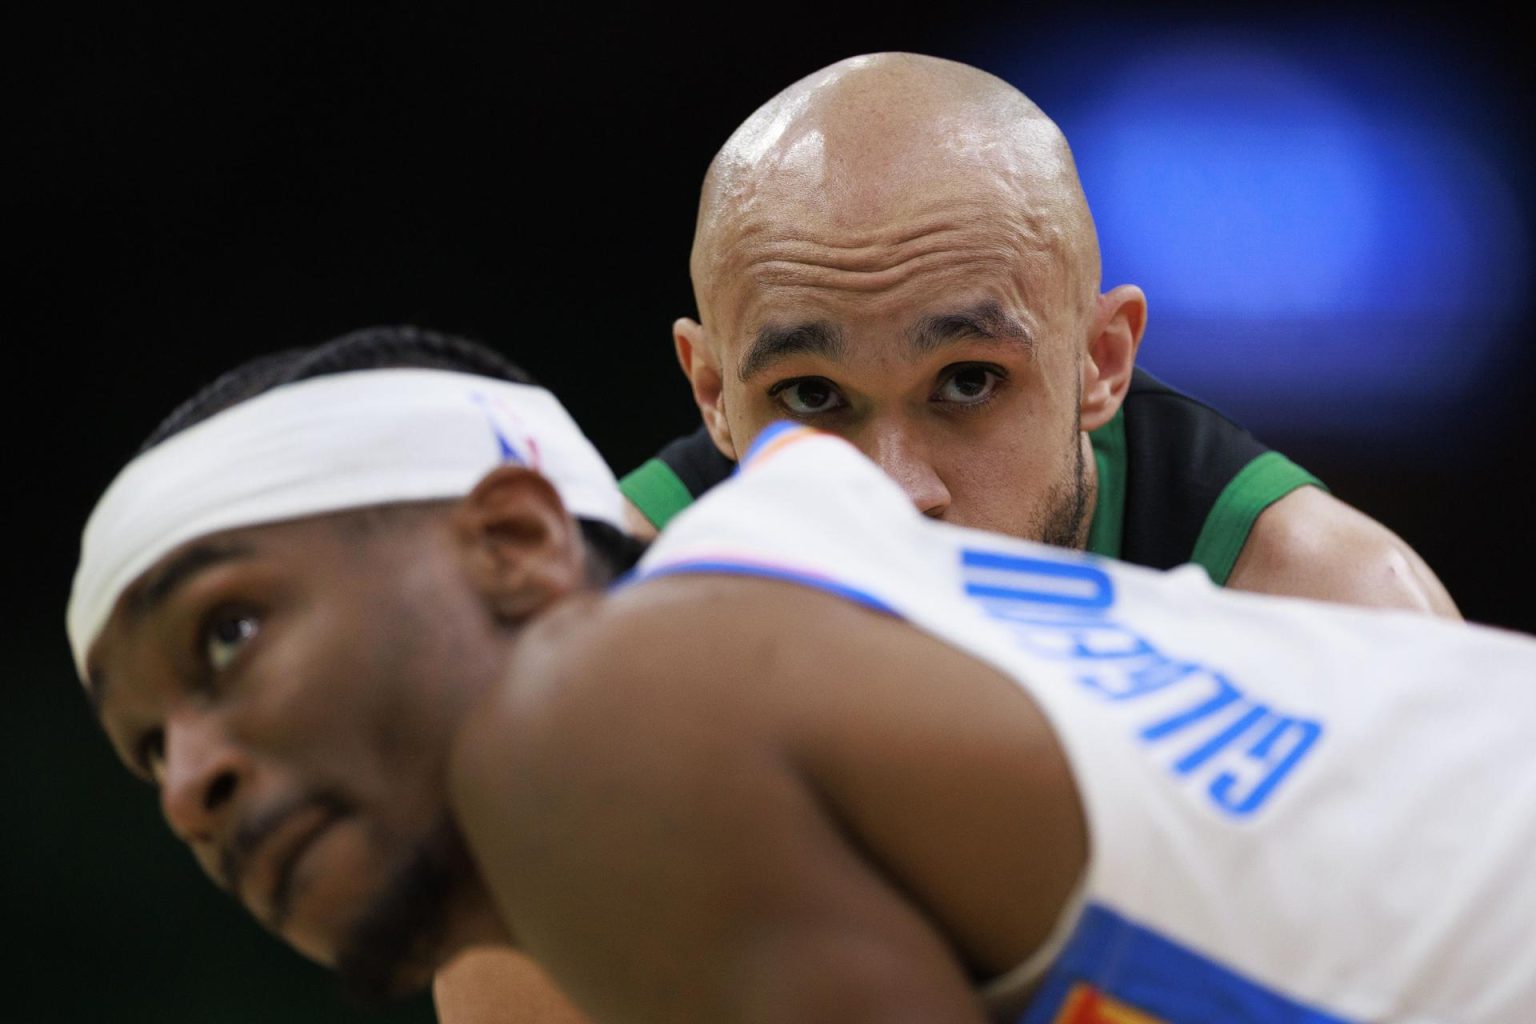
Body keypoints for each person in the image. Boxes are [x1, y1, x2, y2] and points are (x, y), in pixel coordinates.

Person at [71, 327, 1536, 1023]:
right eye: (147, 752)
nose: (194, 780)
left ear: (518, 542)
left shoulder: (592, 726)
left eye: (229, 636)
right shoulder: (803, 571)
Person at [618, 52, 1459, 617]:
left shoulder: (1337, 612)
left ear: (1102, 361)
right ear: (713, 396)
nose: (897, 492)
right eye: (811, 396)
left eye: (968, 381)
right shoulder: (615, 599)